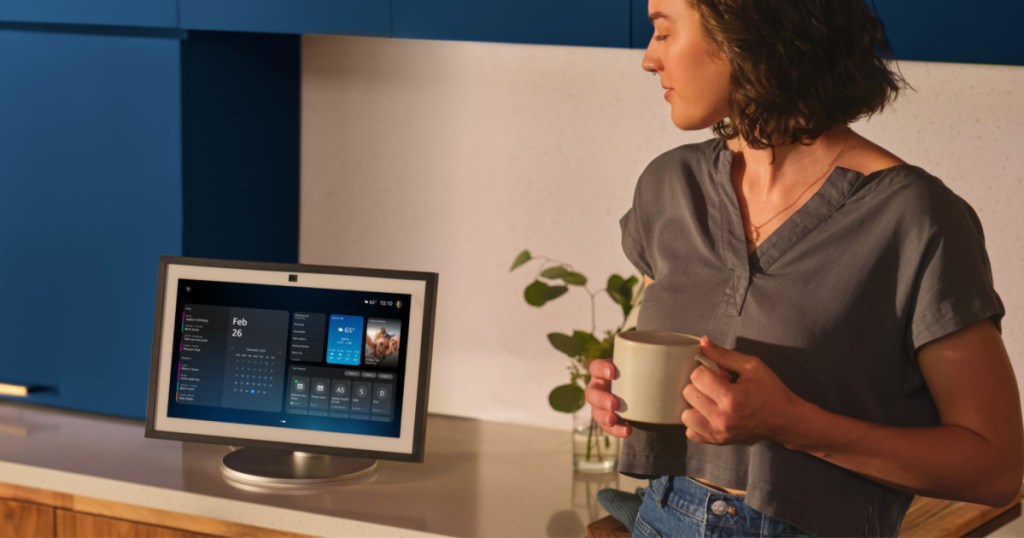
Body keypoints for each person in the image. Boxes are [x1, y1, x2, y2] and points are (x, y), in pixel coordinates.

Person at [585, 0, 1024, 536]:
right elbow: (668, 352)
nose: (649, 60)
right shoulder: (668, 186)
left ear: (744, 32)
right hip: (661, 516)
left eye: (663, 30)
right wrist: (618, 393)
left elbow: (996, 470)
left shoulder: (914, 217)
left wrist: (792, 423)